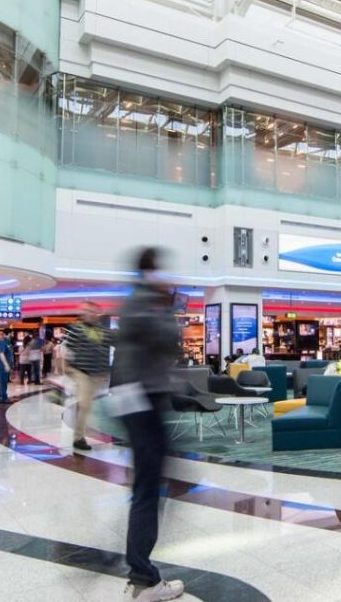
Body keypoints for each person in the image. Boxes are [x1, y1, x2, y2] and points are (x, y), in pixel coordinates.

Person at [111, 247, 185, 601]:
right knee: (148, 488)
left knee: (147, 484)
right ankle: (142, 578)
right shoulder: (147, 302)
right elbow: (169, 341)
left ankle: (139, 571)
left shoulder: (133, 301)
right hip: (144, 401)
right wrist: (169, 305)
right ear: (152, 271)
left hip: (133, 398)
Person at [63, 301, 112, 452]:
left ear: (97, 313)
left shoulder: (103, 331)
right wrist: (65, 367)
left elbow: (107, 347)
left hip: (95, 374)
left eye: (91, 311)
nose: (87, 314)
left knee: (87, 405)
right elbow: (67, 349)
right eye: (85, 311)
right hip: (80, 371)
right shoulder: (77, 329)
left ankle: (80, 430)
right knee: (85, 404)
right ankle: (78, 438)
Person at [0, 332, 13, 404]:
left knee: (3, 382)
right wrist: (6, 365)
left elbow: (9, 355)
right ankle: (4, 398)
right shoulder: (2, 342)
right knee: (3, 382)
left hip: (6, 365)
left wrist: (10, 365)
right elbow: (1, 354)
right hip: (2, 366)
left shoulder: (8, 343)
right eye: (10, 334)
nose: (11, 335)